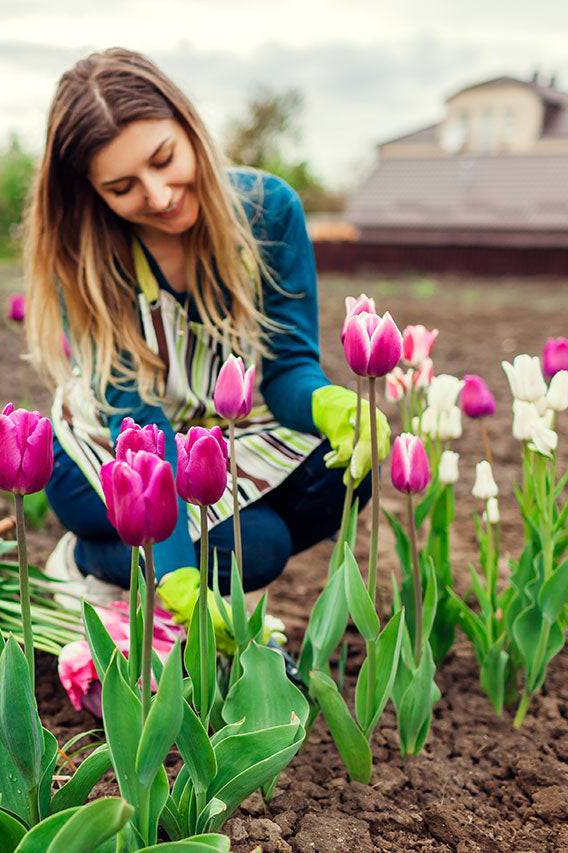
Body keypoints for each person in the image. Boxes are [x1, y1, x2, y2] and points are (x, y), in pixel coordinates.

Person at [23, 48, 387, 604]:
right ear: (93, 193)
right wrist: (177, 578)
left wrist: (336, 408)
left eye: (164, 158)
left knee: (340, 474)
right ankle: (87, 558)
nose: (160, 196)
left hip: (210, 436)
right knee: (256, 546)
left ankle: (167, 559)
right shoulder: (90, 254)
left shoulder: (266, 213)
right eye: (123, 188)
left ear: (188, 127)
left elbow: (287, 370)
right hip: (107, 451)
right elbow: (137, 427)